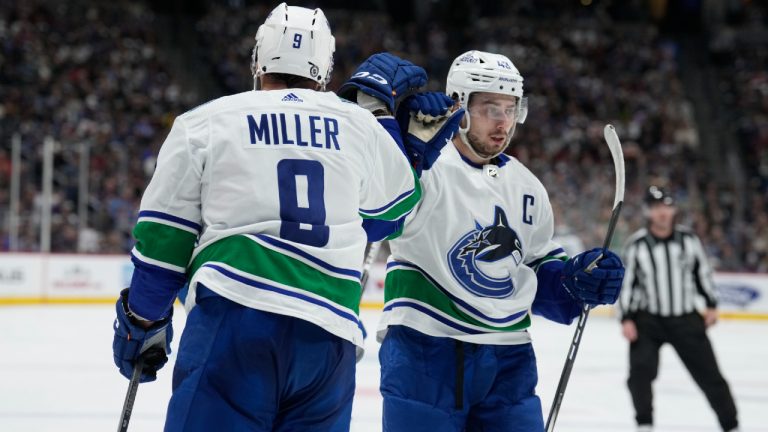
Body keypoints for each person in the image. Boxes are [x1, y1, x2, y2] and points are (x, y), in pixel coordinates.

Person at [110, 3, 460, 431]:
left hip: (235, 319)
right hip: (329, 338)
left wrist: (143, 322)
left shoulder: (203, 123)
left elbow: (163, 244)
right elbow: (389, 217)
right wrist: (388, 126)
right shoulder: (359, 125)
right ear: (325, 68)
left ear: (258, 59)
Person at [375, 50, 626, 431]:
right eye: (491, 108)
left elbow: (537, 275)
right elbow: (378, 221)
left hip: (509, 361)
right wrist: (401, 155)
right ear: (459, 105)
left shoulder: (528, 188)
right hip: (425, 351)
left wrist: (576, 281)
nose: (503, 122)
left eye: (511, 109)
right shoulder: (426, 168)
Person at [619, 185, 739, 432]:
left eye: (667, 206)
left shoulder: (688, 240)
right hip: (648, 320)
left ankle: (731, 426)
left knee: (711, 376)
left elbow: (702, 274)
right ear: (648, 212)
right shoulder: (637, 244)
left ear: (674, 210)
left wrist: (712, 304)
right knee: (639, 374)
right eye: (656, 208)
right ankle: (645, 424)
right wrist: (626, 319)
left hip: (685, 319)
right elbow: (629, 284)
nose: (662, 212)